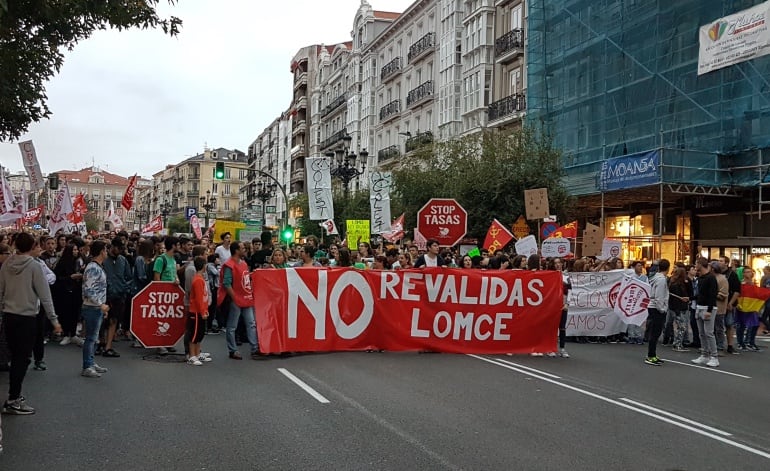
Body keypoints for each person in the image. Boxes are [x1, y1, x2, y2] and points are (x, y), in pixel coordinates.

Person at [0, 232, 62, 414]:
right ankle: (13, 398)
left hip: (9, 315)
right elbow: (45, 295)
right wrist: (54, 319)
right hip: (27, 317)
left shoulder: (6, 265)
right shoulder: (35, 267)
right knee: (23, 358)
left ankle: (13, 395)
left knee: (15, 357)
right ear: (32, 246)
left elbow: (0, 291)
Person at [217, 242, 259, 360]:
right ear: (236, 251)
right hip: (236, 299)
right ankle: (233, 350)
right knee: (232, 326)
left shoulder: (244, 263)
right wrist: (235, 298)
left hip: (246, 298)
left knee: (251, 323)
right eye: (242, 248)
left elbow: (244, 278)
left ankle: (254, 348)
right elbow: (226, 283)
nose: (245, 250)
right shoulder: (229, 265)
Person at [80, 241, 110, 378]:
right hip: (92, 307)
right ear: (101, 251)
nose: (107, 252)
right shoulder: (93, 268)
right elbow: (89, 289)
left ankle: (91, 362)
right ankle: (87, 365)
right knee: (91, 338)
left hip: (96, 307)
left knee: (94, 337)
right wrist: (100, 304)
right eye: (105, 250)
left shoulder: (98, 267)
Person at [100, 238, 134, 358]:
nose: (120, 251)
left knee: (114, 320)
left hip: (119, 294)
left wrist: (125, 287)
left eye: (122, 249)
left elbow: (129, 276)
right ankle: (101, 342)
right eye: (118, 248)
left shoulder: (123, 260)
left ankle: (108, 346)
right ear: (112, 246)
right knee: (103, 320)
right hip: (105, 294)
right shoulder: (104, 260)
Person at [53, 244, 85, 347]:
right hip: (65, 292)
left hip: (76, 291)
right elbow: (57, 278)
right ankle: (66, 334)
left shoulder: (79, 261)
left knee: (75, 313)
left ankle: (73, 333)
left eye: (77, 249)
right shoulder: (62, 263)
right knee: (66, 313)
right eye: (74, 250)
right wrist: (70, 277)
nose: (76, 251)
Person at [692, 258, 719, 367]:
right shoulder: (700, 278)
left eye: (696, 264)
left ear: (700, 264)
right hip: (699, 306)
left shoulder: (711, 278)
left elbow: (712, 295)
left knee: (709, 333)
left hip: (708, 308)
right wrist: (690, 298)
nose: (695, 266)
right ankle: (704, 354)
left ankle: (714, 356)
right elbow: (700, 294)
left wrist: (709, 310)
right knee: (702, 333)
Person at [186, 256, 211, 366]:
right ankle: (192, 355)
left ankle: (197, 353)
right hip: (196, 311)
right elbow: (199, 299)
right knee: (194, 334)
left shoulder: (200, 279)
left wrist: (205, 309)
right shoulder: (197, 280)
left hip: (200, 310)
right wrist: (202, 311)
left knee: (200, 333)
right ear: (204, 266)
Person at [645, 259, 670, 366]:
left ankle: (652, 354)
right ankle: (651, 355)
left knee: (654, 332)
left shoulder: (654, 278)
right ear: (668, 268)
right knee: (655, 332)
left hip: (653, 307)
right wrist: (662, 309)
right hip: (656, 308)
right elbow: (659, 296)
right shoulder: (661, 280)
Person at [667, 267, 691, 352]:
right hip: (679, 308)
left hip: (675, 308)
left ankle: (676, 343)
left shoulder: (673, 283)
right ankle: (678, 344)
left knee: (679, 326)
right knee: (681, 327)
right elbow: (676, 299)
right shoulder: (678, 285)